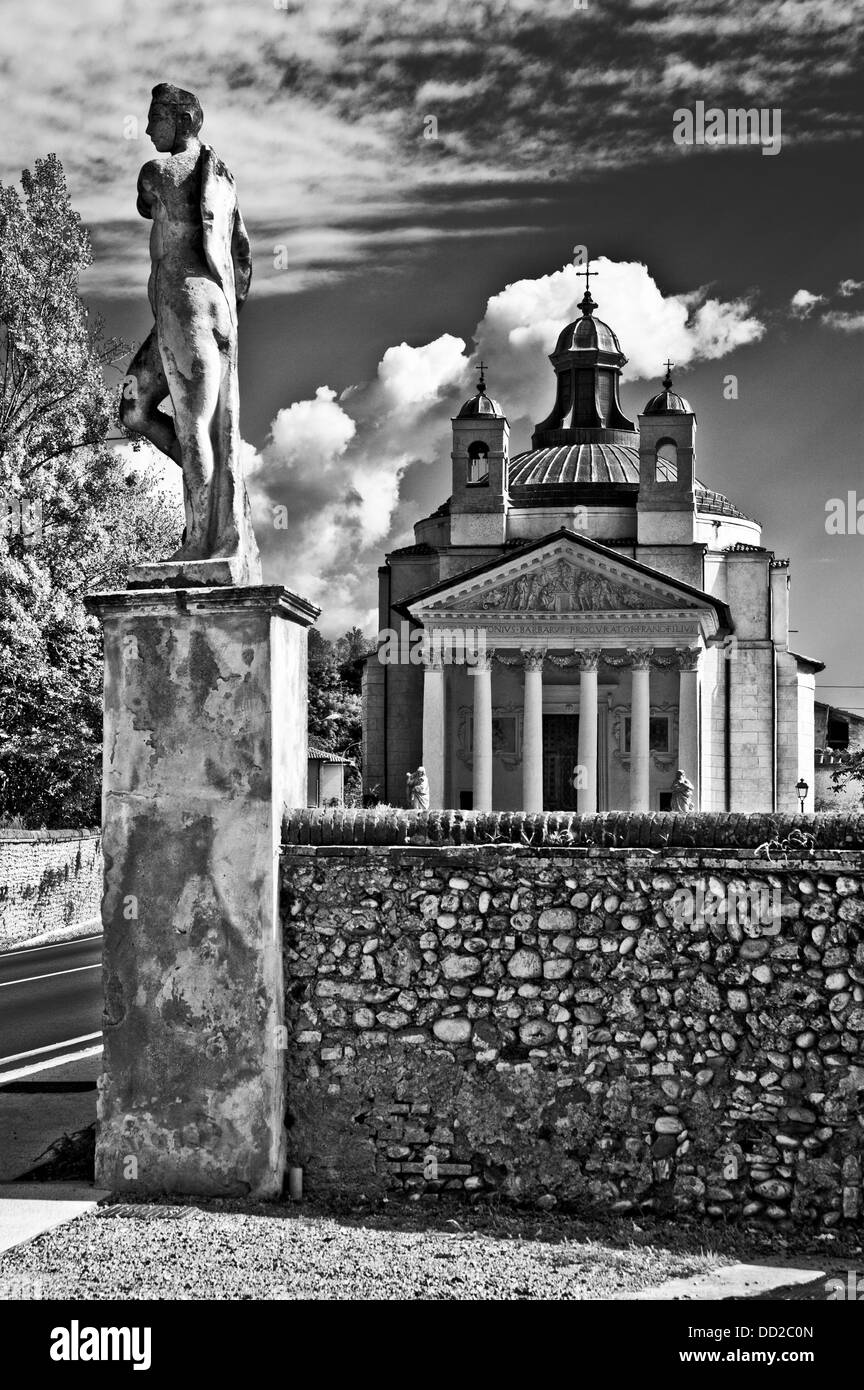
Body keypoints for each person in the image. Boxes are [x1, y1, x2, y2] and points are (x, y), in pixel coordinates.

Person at [119, 83, 256, 568]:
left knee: (194, 424)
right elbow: (241, 255)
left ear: (182, 121)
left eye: (157, 117)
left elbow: (143, 204)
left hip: (185, 303)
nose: (150, 126)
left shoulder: (156, 172)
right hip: (201, 306)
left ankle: (199, 542)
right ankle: (217, 499)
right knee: (135, 408)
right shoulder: (218, 175)